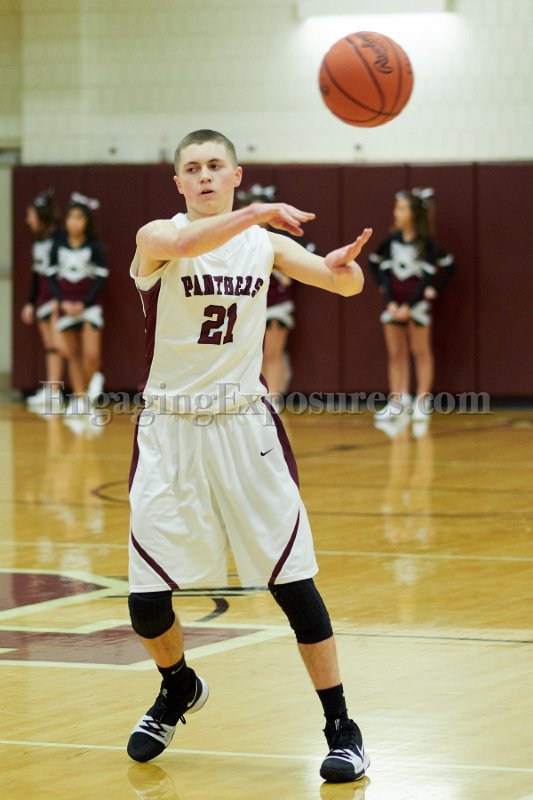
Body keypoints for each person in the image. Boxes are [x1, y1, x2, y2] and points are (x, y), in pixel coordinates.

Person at [126, 129, 373, 783]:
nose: (204, 176)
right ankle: (178, 686)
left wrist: (344, 268)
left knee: (292, 583)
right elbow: (186, 246)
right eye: (193, 168)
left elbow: (342, 285)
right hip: (169, 430)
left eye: (216, 166)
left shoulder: (264, 244)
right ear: (178, 182)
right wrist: (259, 212)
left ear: (235, 174)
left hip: (244, 426)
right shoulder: (158, 237)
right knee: (146, 601)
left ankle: (342, 727)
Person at [368, 189, 455, 422]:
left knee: (420, 351)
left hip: (415, 306)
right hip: (393, 306)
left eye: (401, 208)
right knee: (396, 353)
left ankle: (422, 400)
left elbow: (430, 276)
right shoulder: (390, 241)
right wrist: (389, 299)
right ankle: (398, 399)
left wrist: (416, 301)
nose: (396, 213)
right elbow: (376, 266)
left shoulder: (427, 243)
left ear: (413, 214)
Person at [236, 183, 317, 406]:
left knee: (273, 352)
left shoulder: (279, 239)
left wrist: (284, 271)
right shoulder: (240, 238)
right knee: (255, 353)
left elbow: (306, 255)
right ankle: (260, 397)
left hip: (277, 304)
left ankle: (273, 398)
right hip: (250, 306)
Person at [48, 193, 108, 410]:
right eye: (71, 217)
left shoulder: (95, 248)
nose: (74, 222)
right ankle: (79, 397)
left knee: (91, 354)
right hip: (65, 306)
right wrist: (62, 302)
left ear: (87, 222)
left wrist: (85, 303)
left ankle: (92, 382)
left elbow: (100, 279)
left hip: (88, 308)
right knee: (72, 355)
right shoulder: (57, 246)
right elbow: (51, 278)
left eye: (79, 218)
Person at [20, 189, 64, 409]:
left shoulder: (60, 239)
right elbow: (37, 275)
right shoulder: (38, 241)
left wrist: (59, 298)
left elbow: (62, 273)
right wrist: (30, 302)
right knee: (50, 346)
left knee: (60, 344)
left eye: (30, 215)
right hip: (42, 297)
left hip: (56, 297)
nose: (28, 220)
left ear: (41, 215)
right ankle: (52, 390)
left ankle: (73, 392)